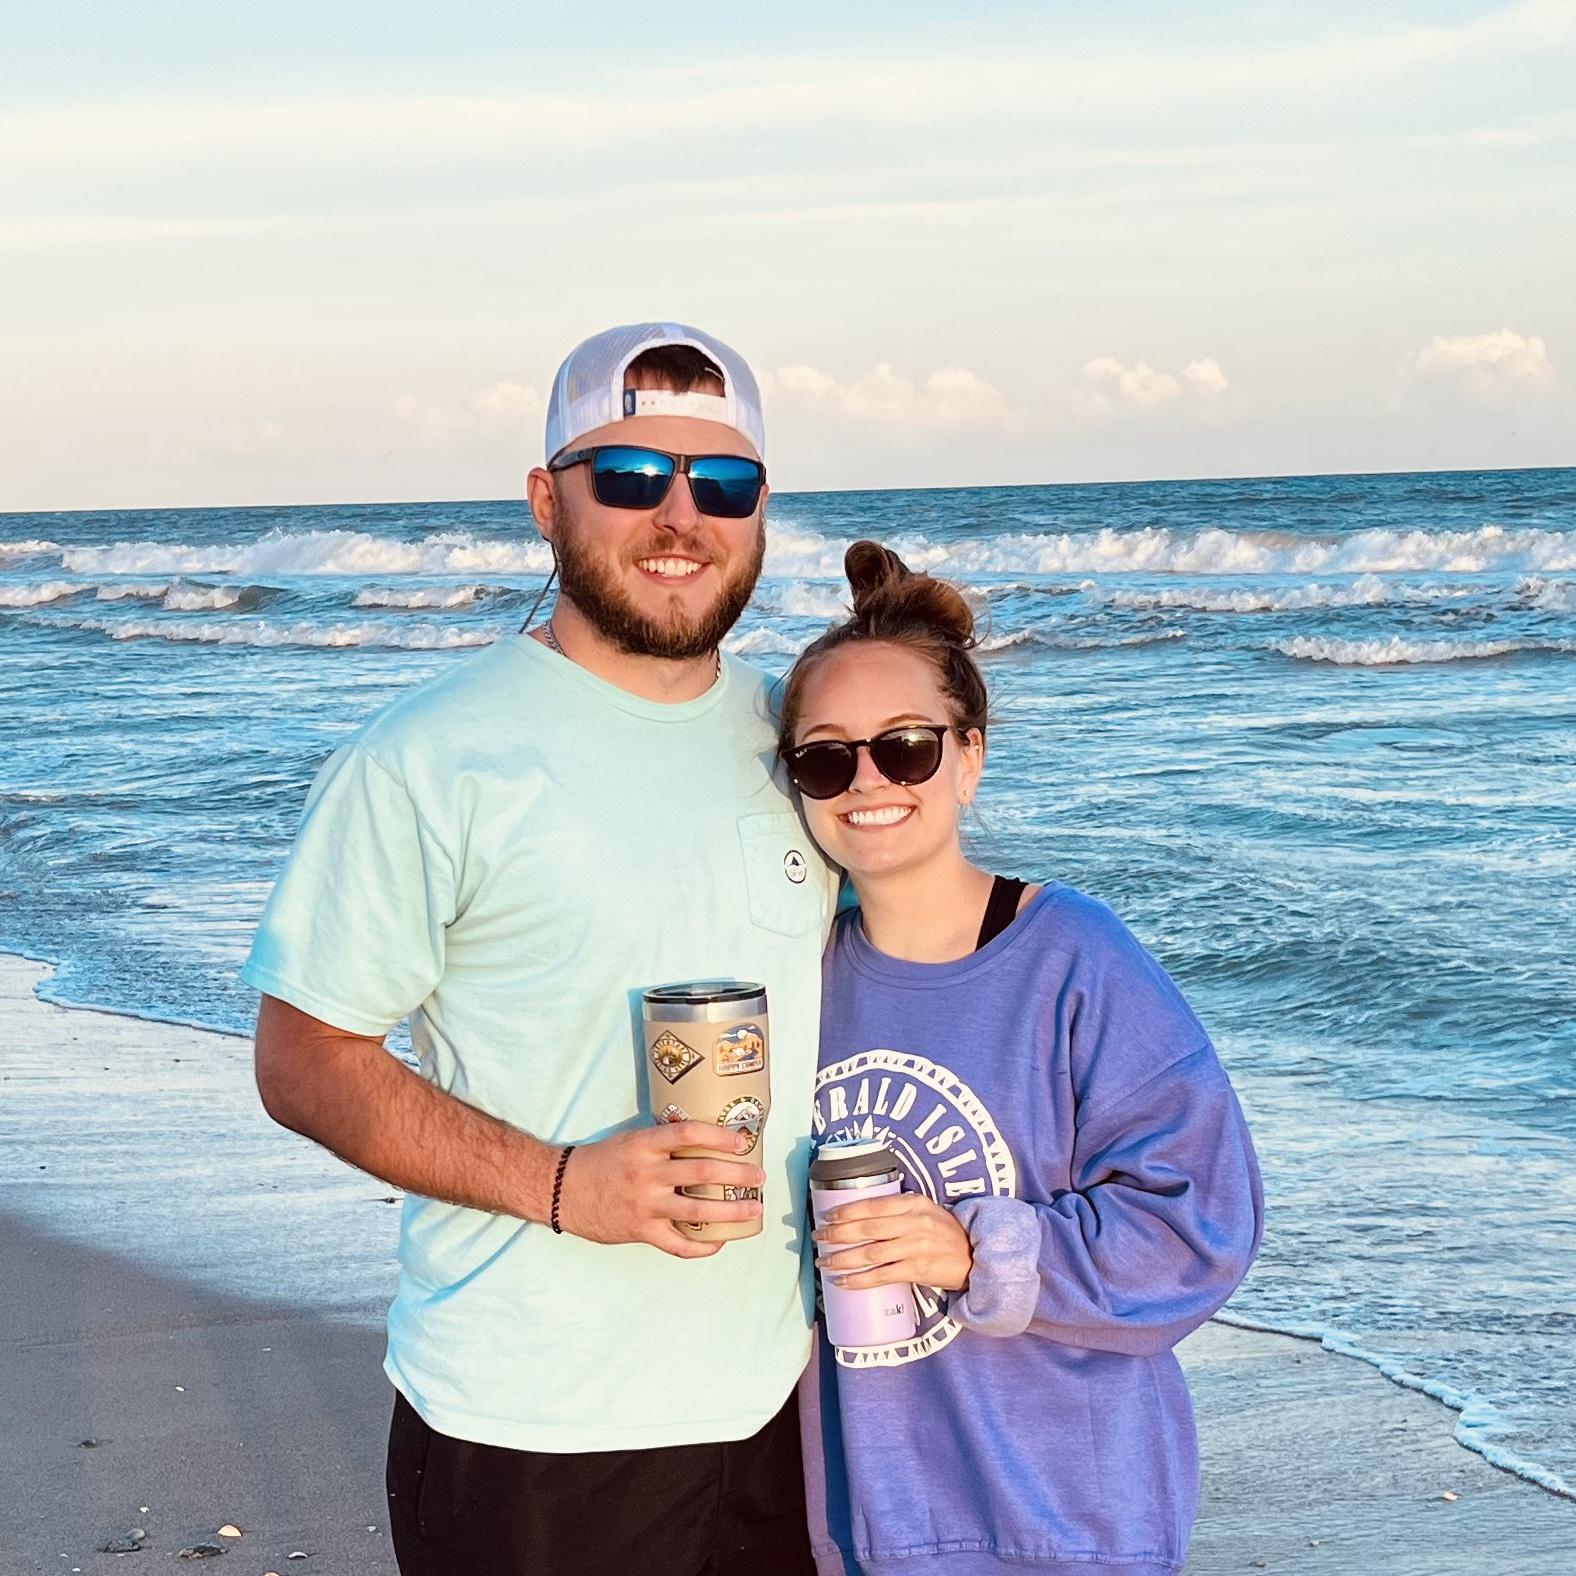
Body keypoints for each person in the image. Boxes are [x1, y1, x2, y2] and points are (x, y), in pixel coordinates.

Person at [243, 323, 837, 1576]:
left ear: (760, 510)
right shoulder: (429, 758)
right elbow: (304, 1058)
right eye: (629, 477)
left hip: (788, 1407)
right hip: (529, 1428)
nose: (679, 514)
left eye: (718, 483)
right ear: (546, 499)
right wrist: (568, 1186)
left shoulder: (809, 745)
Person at [777, 541, 1264, 1576]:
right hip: (868, 1527)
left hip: (1067, 1520)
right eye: (826, 755)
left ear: (968, 755)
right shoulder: (791, 973)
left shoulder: (1075, 956)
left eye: (904, 746)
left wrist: (973, 1251)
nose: (867, 780)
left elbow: (1200, 1221)